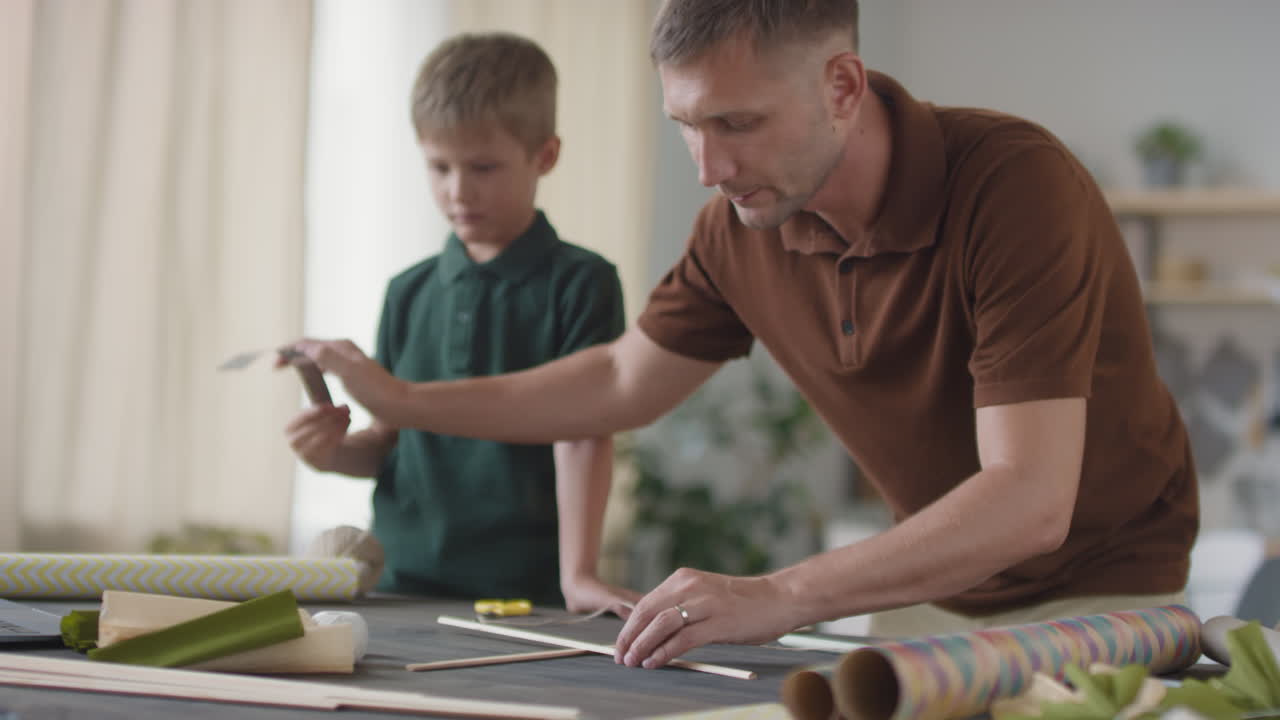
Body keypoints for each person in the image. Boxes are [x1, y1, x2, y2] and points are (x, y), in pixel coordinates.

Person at [289, 0, 1198, 670]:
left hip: (1100, 594)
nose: (709, 166)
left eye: (738, 123)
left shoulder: (1014, 186)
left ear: (842, 86)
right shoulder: (738, 225)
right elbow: (616, 381)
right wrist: (401, 401)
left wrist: (779, 593)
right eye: (687, 125)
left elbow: (1029, 498)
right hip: (929, 597)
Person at [282, 33, 639, 614]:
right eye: (439, 167)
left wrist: (580, 576)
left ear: (544, 156)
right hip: (398, 587)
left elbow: (585, 431)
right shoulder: (407, 292)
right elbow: (390, 444)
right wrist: (329, 454)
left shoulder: (583, 284)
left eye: (483, 167)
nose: (457, 191)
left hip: (529, 594)